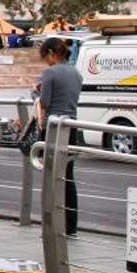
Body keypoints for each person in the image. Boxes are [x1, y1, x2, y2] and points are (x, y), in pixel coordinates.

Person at [38, 36, 84, 237]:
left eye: (44, 57)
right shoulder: (76, 73)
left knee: (51, 177)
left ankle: (51, 224)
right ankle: (71, 225)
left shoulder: (50, 73)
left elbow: (45, 102)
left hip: (54, 127)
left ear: (50, 53)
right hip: (71, 126)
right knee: (68, 177)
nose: (45, 62)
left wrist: (37, 93)